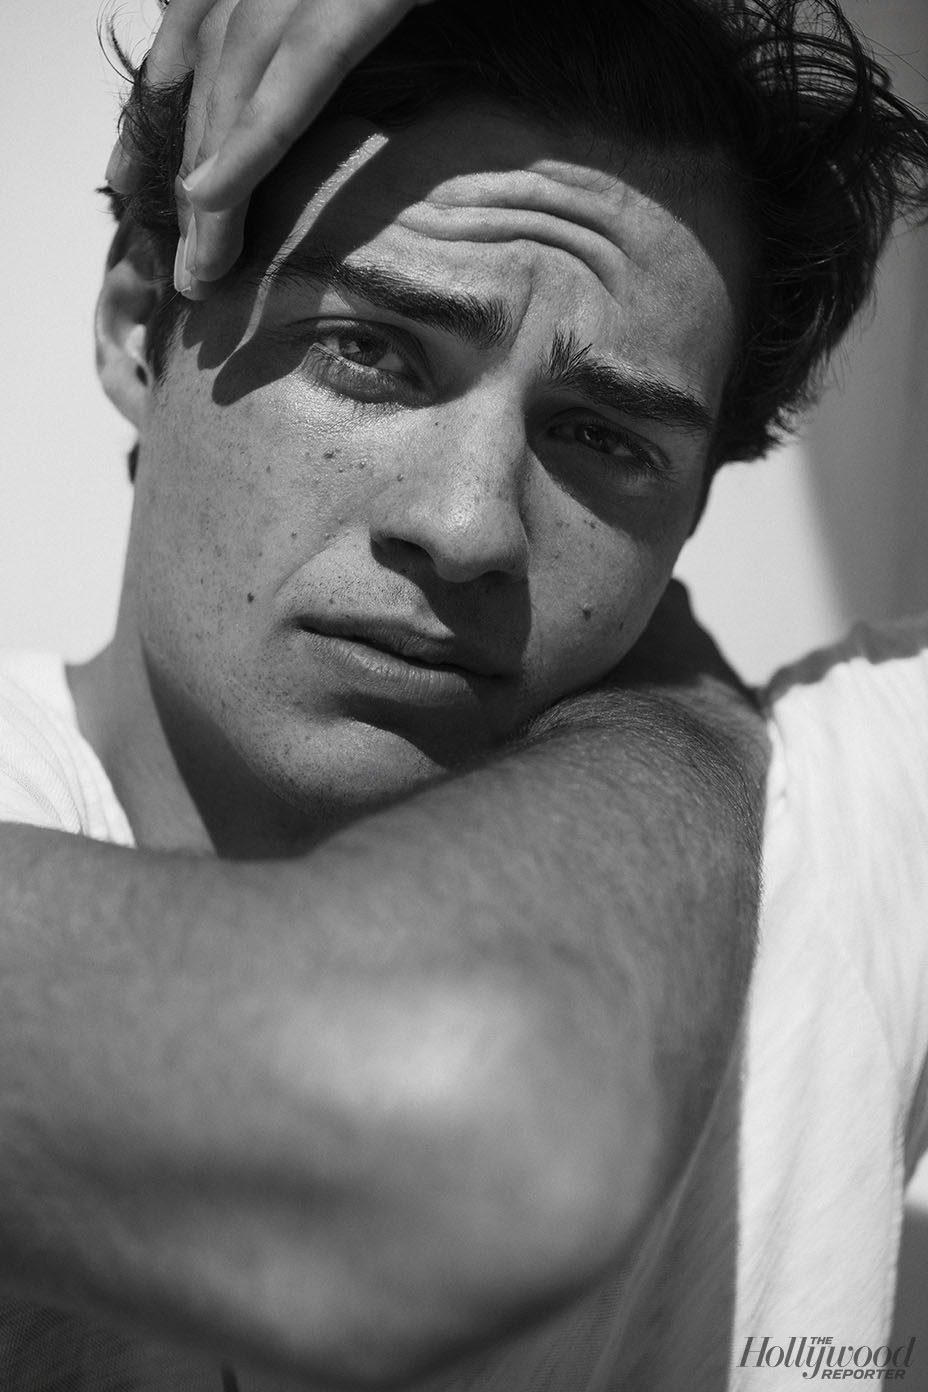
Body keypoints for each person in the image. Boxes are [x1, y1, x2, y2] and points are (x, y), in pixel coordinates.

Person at [0, 2, 925, 1390]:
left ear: (689, 518)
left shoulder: (846, 838)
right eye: (371, 352)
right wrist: (687, 710)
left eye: (603, 437)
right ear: (143, 328)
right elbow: (435, 1127)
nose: (470, 525)